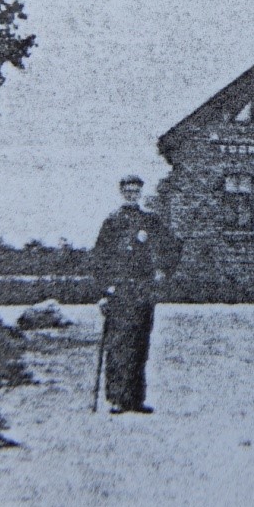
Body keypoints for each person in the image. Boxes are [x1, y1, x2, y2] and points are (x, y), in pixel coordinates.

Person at [91, 175, 182, 414]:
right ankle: (118, 399)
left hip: (142, 291)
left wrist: (163, 270)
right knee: (119, 344)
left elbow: (172, 245)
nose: (132, 194)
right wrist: (104, 291)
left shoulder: (150, 220)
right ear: (121, 192)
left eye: (136, 190)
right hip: (119, 291)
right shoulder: (112, 221)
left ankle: (136, 399)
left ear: (141, 193)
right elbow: (99, 259)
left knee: (140, 344)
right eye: (128, 190)